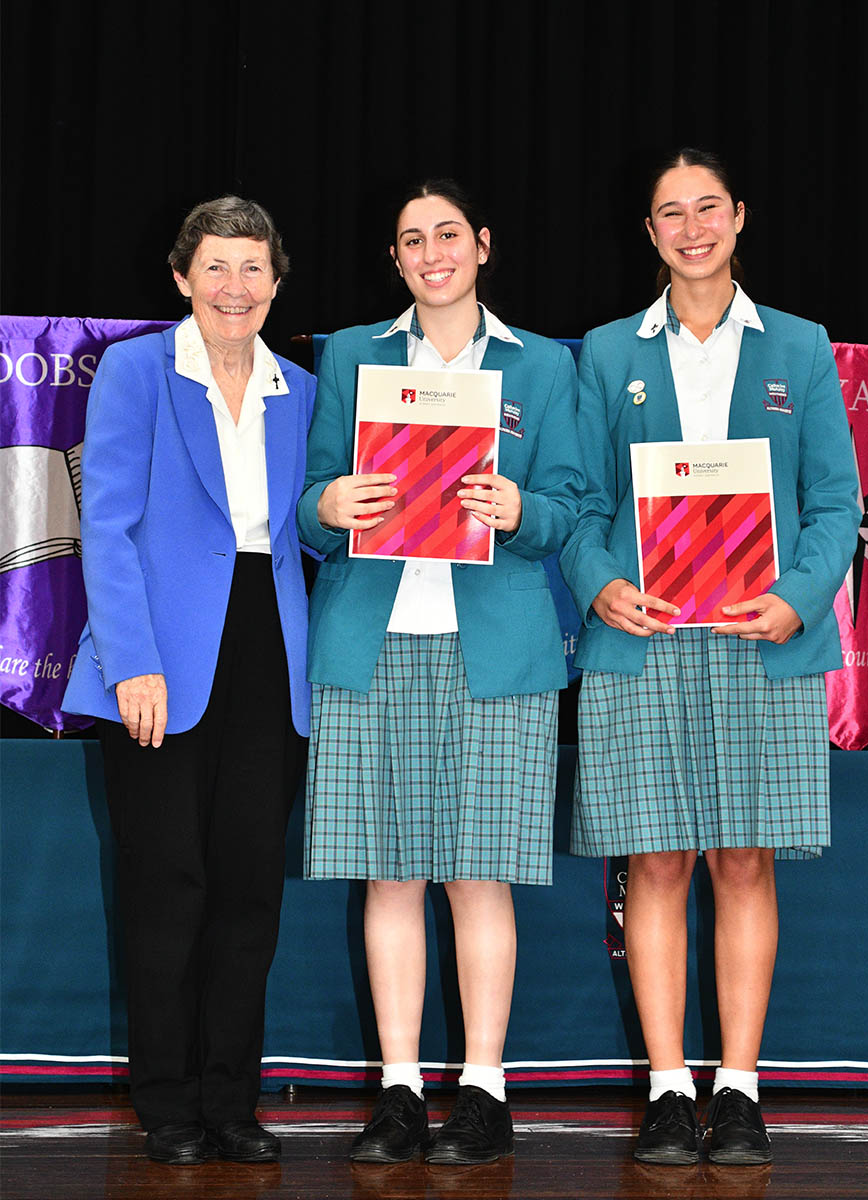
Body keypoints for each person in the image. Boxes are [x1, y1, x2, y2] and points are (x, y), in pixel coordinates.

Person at [560, 149, 860, 1167]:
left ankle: (737, 1086)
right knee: (655, 861)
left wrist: (796, 598)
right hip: (640, 642)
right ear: (648, 234)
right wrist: (601, 580)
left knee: (743, 860)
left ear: (739, 217)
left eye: (706, 209)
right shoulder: (604, 354)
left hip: (758, 642)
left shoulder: (803, 347)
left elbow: (836, 506)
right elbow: (580, 502)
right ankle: (667, 1090)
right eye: (667, 215)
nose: (691, 229)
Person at [296, 179, 583, 1165]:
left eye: (448, 234)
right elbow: (305, 501)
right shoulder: (350, 355)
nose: (432, 253)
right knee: (389, 873)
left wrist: (520, 511)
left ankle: (486, 1091)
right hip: (370, 643)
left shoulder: (541, 367)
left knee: (478, 877)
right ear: (396, 259)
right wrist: (331, 503)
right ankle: (399, 1091)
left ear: (484, 245)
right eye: (412, 240)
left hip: (495, 649)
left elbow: (572, 508)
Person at [63, 196, 316, 1165]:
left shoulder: (301, 385)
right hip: (160, 657)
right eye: (216, 266)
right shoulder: (135, 370)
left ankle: (232, 1103)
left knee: (250, 890)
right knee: (169, 884)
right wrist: (133, 661)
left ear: (276, 281)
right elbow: (109, 525)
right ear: (181, 277)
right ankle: (166, 1107)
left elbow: (309, 530)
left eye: (253, 268)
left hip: (268, 652)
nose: (235, 287)